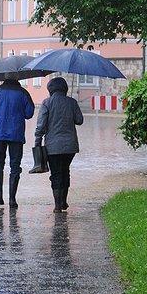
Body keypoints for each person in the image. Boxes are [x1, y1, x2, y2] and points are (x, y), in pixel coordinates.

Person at [0, 77, 35, 207]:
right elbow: (29, 113)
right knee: (15, 166)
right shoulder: (23, 93)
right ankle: (12, 199)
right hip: (16, 134)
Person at [34, 77, 84, 213]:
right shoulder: (72, 102)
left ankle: (57, 205)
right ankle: (63, 202)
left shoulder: (46, 103)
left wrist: (37, 141)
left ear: (50, 90)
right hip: (70, 147)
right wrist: (72, 107)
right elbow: (79, 120)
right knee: (65, 171)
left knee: (56, 173)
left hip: (52, 146)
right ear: (65, 89)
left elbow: (41, 125)